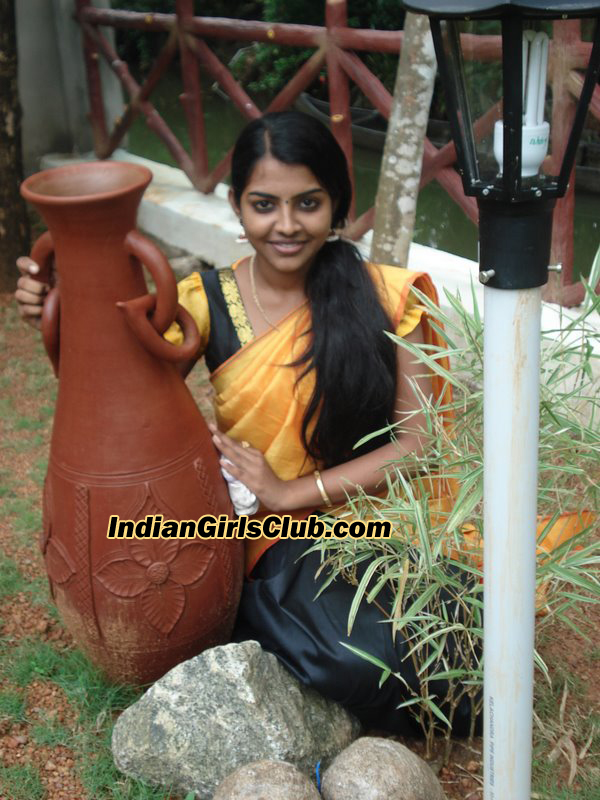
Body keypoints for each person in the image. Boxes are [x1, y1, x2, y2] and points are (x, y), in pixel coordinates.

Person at [15, 111, 473, 735]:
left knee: (463, 636)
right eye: (264, 204)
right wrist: (58, 307)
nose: (285, 225)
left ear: (338, 203)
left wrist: (290, 491)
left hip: (383, 517)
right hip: (273, 538)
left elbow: (418, 447)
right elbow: (113, 390)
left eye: (307, 203)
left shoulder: (396, 297)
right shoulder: (202, 302)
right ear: (237, 207)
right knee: (371, 662)